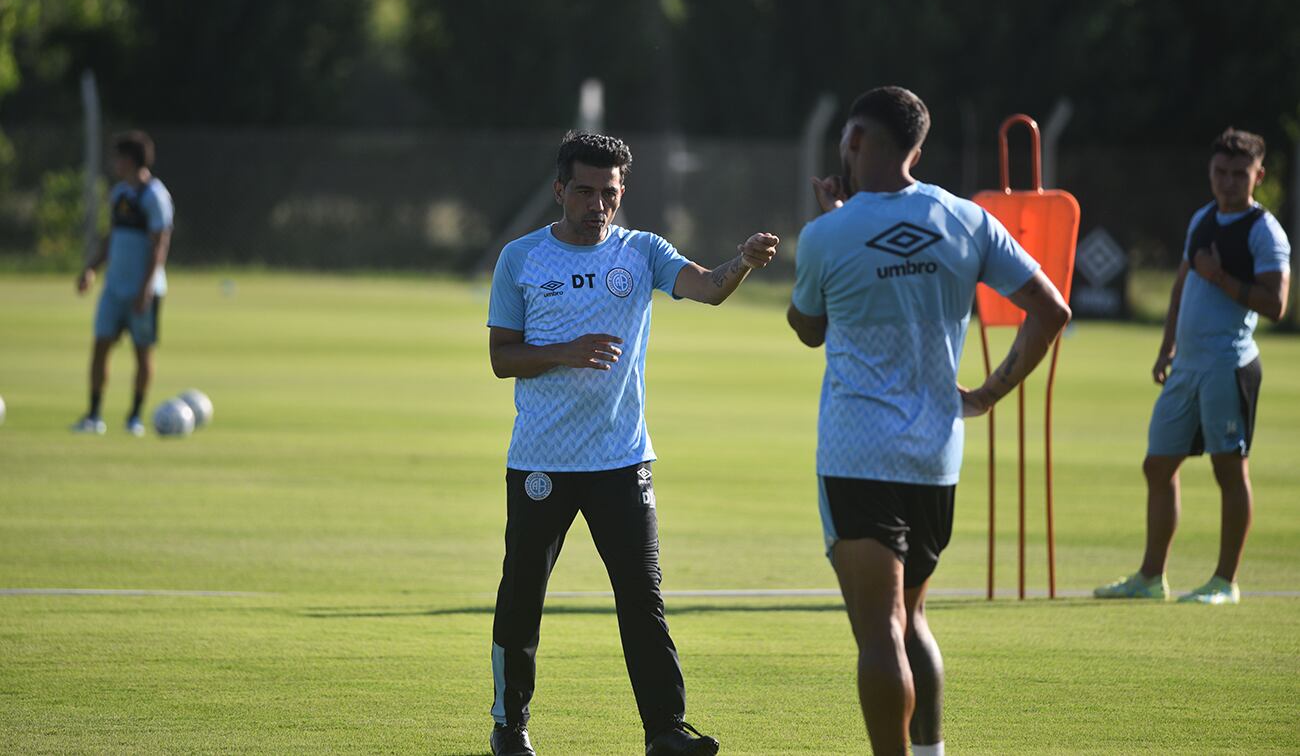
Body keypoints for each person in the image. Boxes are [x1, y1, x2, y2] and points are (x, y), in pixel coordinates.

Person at [786, 87, 1071, 755]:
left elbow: (807, 328)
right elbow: (1051, 311)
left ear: (854, 141)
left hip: (858, 456)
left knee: (879, 631)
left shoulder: (828, 231)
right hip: (937, 453)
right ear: (917, 147)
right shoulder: (966, 219)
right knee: (912, 618)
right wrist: (991, 393)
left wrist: (833, 224)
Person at [485, 130, 779, 756]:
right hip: (542, 461)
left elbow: (707, 286)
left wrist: (745, 261)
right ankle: (510, 728)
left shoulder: (641, 252)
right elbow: (501, 357)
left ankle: (665, 732)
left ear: (622, 194)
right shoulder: (521, 258)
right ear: (560, 190)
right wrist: (566, 352)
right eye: (585, 191)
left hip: (623, 459)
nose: (597, 204)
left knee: (643, 600)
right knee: (522, 598)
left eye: (609, 193)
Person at [1095, 128, 1290, 605]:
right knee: (1157, 465)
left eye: (1238, 174)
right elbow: (1182, 286)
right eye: (1220, 172)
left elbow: (1277, 305)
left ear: (1258, 176)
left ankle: (1225, 581)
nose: (1227, 182)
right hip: (1187, 368)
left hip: (1228, 365)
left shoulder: (1264, 232)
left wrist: (1220, 276)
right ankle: (1150, 577)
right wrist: (1167, 348)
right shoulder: (1202, 219)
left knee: (1229, 470)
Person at [73, 130, 174, 436]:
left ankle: (134, 417)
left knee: (143, 352)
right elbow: (112, 238)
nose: (114, 162)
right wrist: (91, 269)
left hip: (143, 290)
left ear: (129, 160)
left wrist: (145, 287)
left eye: (118, 157)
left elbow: (160, 245)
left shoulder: (155, 196)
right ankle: (93, 416)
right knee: (101, 346)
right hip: (114, 288)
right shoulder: (119, 194)